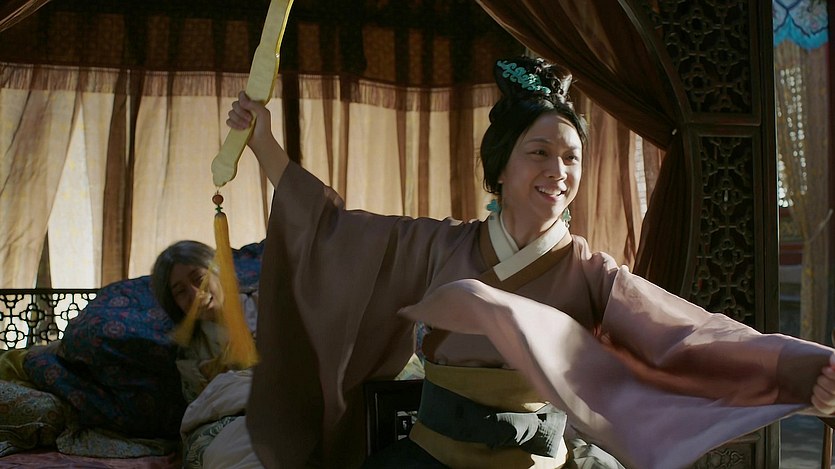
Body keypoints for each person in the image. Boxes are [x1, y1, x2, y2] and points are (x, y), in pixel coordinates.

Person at [227, 56, 835, 469]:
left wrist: (810, 378)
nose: (558, 171)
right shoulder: (440, 247)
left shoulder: (593, 274)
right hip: (434, 457)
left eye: (571, 158)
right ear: (500, 166)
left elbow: (688, 339)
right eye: (539, 152)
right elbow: (336, 230)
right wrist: (264, 143)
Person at [150, 240, 262, 469]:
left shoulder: (265, 305)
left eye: (199, 279)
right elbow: (202, 407)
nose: (195, 293)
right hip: (233, 424)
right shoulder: (190, 353)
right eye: (180, 292)